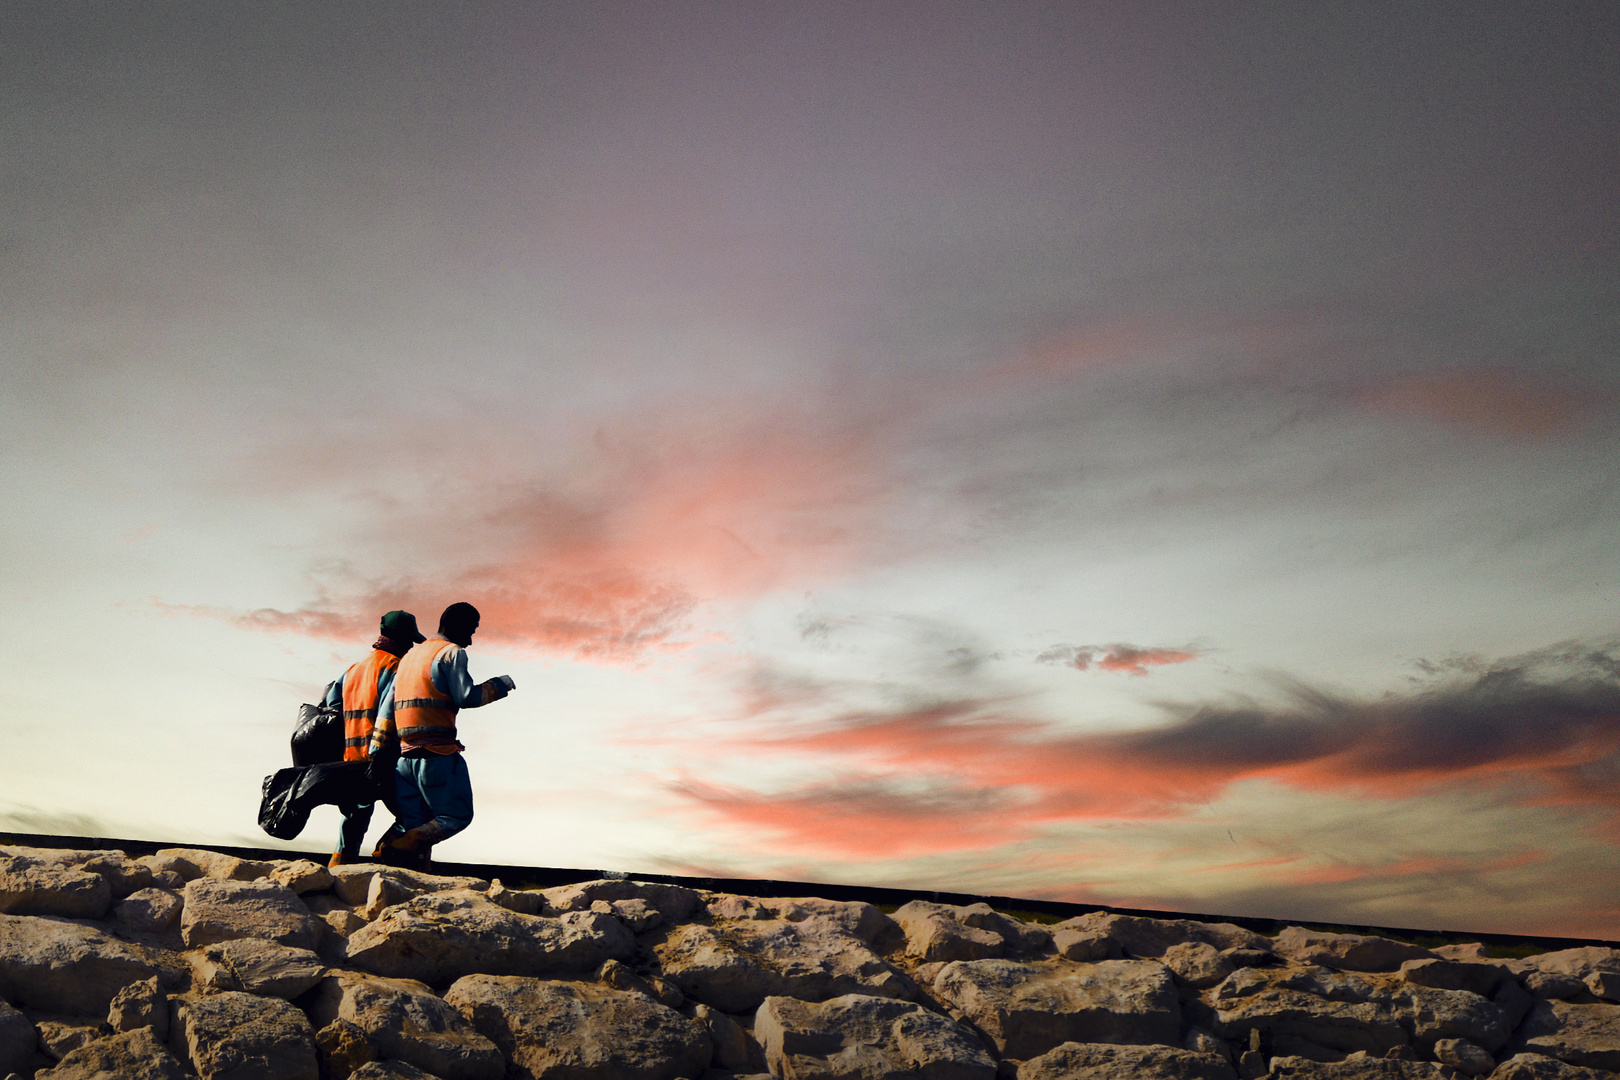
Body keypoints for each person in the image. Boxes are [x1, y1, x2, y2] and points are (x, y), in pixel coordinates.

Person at [368, 601, 514, 869]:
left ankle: (411, 870)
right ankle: (404, 841)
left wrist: (375, 752)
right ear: (457, 626)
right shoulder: (452, 653)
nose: (470, 640)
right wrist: (500, 685)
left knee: (417, 821)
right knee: (456, 815)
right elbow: (467, 696)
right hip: (438, 757)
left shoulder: (410, 657)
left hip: (405, 761)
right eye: (471, 631)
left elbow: (387, 709)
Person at [321, 609, 426, 865]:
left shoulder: (353, 670)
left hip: (351, 758)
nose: (411, 646)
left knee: (354, 817)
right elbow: (396, 713)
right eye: (409, 640)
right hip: (383, 757)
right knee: (416, 815)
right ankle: (388, 850)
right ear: (399, 638)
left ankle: (339, 866)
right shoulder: (397, 668)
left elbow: (331, 707)